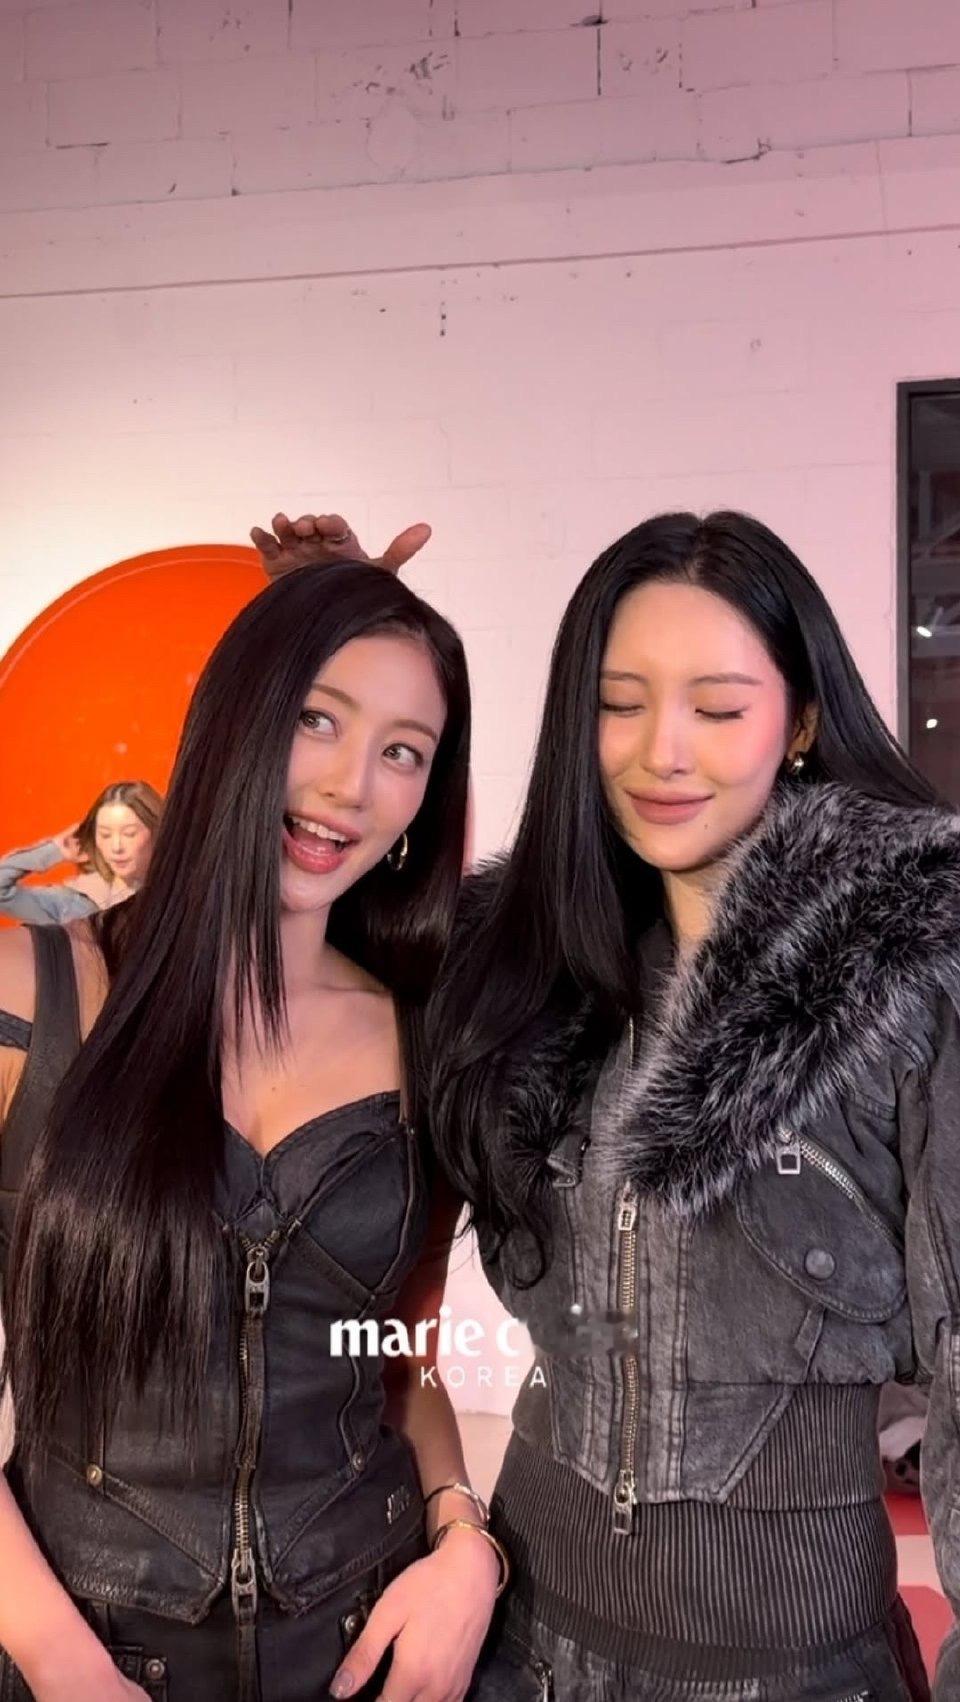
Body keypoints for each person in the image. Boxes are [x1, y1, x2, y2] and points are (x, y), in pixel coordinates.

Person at [253, 509, 958, 1701]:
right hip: (517, 1650)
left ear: (802, 721)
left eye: (717, 708)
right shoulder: (518, 969)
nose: (659, 752)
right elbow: (327, 911)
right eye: (618, 704)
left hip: (794, 1673)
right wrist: (325, 639)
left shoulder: (910, 981)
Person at [0, 563, 501, 1702]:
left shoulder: (421, 1036)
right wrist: (59, 1661)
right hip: (87, 1651)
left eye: (403, 750)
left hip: (367, 1645)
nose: (348, 786)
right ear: (236, 718)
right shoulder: (36, 995)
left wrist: (465, 1538)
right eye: (317, 718)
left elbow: (396, 1351)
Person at [0, 780, 162, 924]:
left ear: (157, 832)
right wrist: (54, 851)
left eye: (129, 834)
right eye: (105, 835)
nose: (116, 847)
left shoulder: (173, 895)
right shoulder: (75, 904)